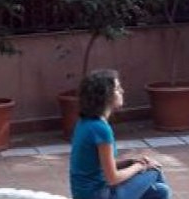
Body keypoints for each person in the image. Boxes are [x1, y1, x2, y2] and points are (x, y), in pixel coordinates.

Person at [69, 69, 171, 199]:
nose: (122, 91)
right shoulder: (100, 129)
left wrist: (130, 162)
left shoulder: (84, 122)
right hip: (99, 195)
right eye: (117, 89)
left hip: (85, 194)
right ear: (105, 96)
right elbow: (112, 178)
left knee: (161, 191)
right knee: (153, 170)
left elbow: (98, 167)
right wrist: (140, 166)